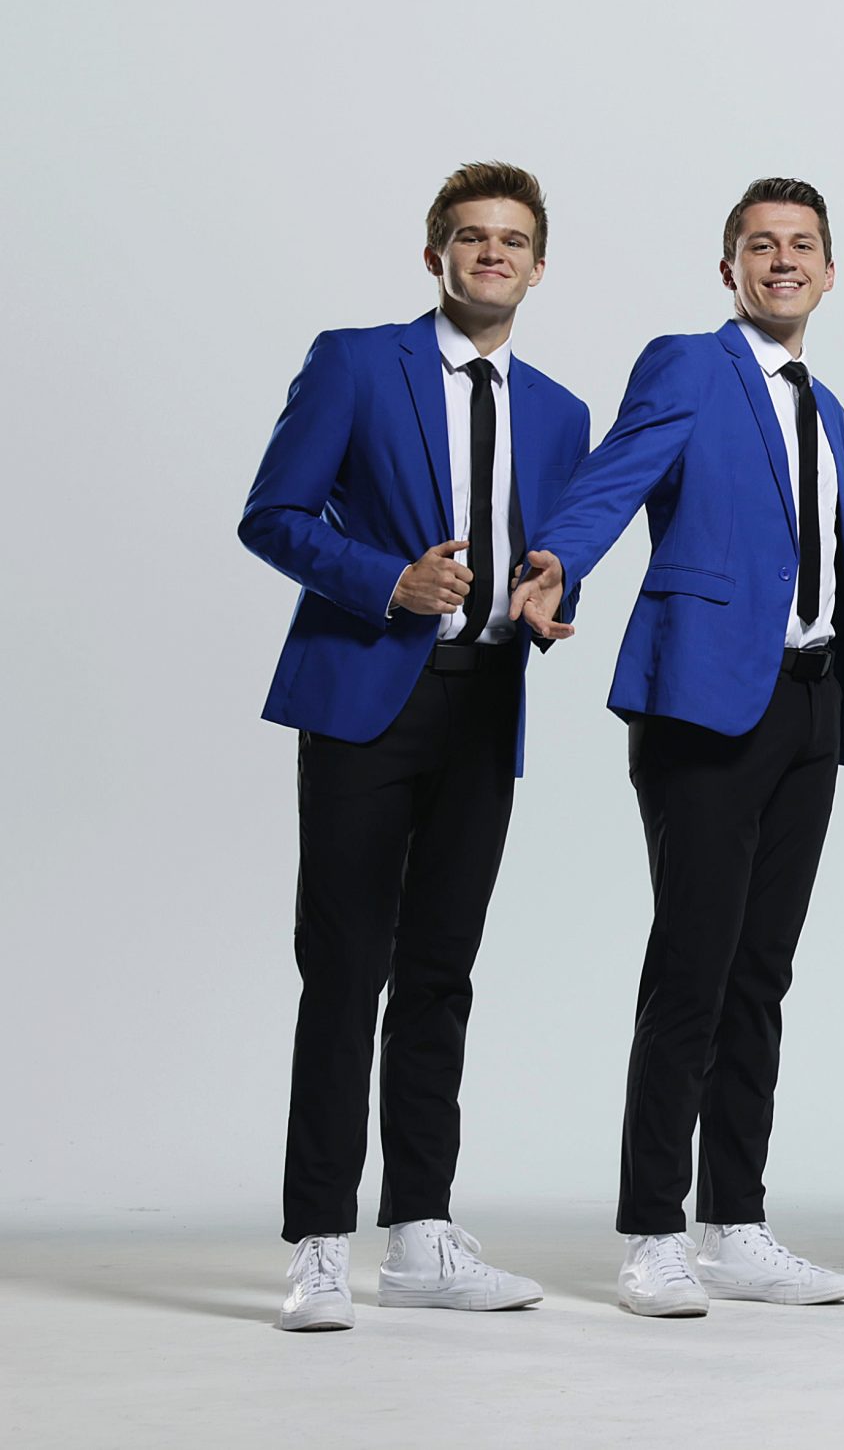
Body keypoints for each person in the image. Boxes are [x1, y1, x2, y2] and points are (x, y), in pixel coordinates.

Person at [511, 177, 844, 1318]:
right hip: (701, 702)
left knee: (761, 974)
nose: (782, 261)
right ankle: (652, 1231)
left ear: (831, 272)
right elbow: (612, 479)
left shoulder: (825, 407)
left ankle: (734, 1222)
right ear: (728, 268)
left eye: (802, 246)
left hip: (809, 706)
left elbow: (837, 571)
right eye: (759, 246)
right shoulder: (689, 365)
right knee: (692, 966)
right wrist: (557, 561)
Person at [241, 161, 589, 1331]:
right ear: (435, 252)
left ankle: (423, 1232)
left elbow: (551, 550)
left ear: (538, 266)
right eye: (472, 237)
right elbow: (273, 514)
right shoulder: (354, 361)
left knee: (442, 972)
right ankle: (318, 1243)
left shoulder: (559, 409)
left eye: (513, 240)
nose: (493, 254)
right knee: (344, 971)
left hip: (485, 702)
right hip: (363, 698)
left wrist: (552, 592)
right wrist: (386, 580)